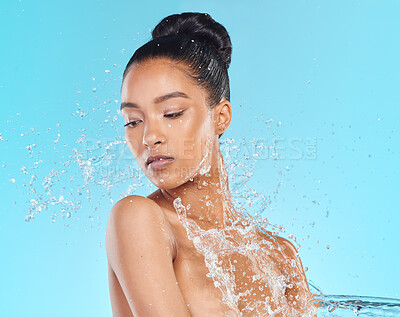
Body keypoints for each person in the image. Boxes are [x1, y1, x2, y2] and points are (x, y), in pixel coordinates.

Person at [105, 12, 316, 316]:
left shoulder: (280, 255)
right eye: (133, 121)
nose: (149, 137)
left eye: (172, 113)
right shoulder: (139, 218)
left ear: (221, 117)